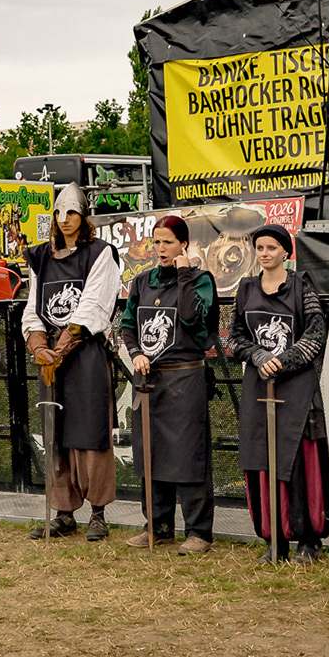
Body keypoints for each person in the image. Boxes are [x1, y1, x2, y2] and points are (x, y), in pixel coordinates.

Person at [23, 184, 123, 542]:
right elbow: (34, 307)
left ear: (84, 217)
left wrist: (59, 350)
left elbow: (94, 306)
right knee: (56, 433)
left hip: (84, 357)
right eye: (60, 213)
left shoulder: (100, 254)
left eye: (72, 213)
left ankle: (98, 513)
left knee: (90, 433)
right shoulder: (41, 257)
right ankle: (63, 512)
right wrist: (39, 348)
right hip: (50, 357)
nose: (65, 220)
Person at [227, 223, 329, 563]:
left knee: (300, 463)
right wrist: (258, 357)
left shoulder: (302, 286)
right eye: (260, 248)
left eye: (272, 248)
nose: (265, 254)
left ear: (286, 252)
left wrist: (282, 362)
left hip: (297, 390)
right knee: (263, 460)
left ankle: (307, 538)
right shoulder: (245, 289)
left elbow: (316, 334)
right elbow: (236, 337)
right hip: (259, 387)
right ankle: (275, 539)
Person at [120, 215, 219, 553]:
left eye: (168, 242)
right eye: (157, 241)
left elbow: (192, 316)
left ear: (183, 244)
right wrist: (134, 353)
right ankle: (158, 525)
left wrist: (184, 274)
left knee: (189, 454)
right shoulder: (141, 282)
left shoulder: (201, 280)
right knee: (152, 452)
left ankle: (198, 532)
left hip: (186, 376)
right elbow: (128, 324)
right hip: (149, 380)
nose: (160, 248)